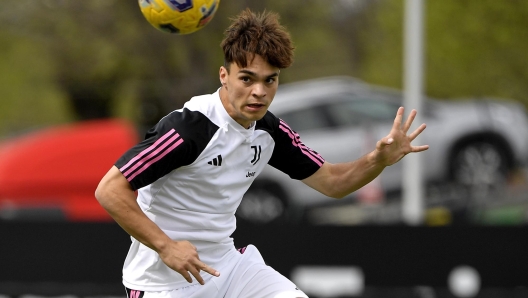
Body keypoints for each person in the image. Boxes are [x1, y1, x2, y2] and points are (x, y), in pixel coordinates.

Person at [95, 8, 429, 298]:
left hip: (230, 270)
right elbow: (110, 189)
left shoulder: (269, 132)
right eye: (247, 78)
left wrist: (378, 159)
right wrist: (167, 246)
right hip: (162, 283)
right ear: (224, 76)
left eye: (270, 81)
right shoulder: (189, 129)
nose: (259, 91)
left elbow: (333, 182)